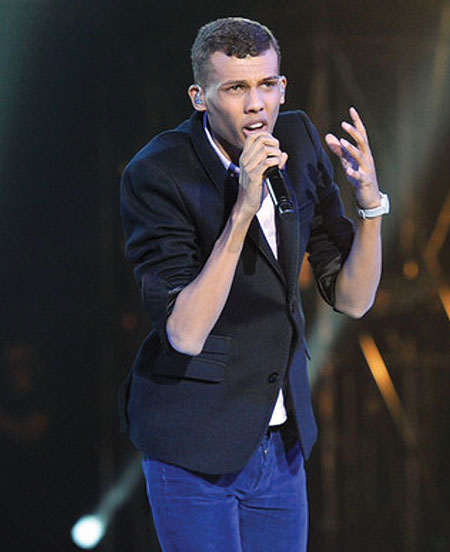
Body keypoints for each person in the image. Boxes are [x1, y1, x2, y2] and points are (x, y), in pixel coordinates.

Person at [119, 16, 388, 551]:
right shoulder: (158, 173)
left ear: (282, 86)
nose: (257, 105)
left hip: (280, 442)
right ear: (200, 97)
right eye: (237, 89)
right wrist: (243, 207)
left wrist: (370, 206)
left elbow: (353, 299)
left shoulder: (300, 139)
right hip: (193, 440)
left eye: (268, 85)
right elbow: (185, 332)